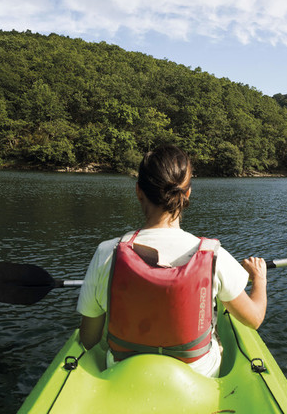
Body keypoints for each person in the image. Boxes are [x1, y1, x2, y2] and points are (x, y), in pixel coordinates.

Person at [76, 144, 268, 378]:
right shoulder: (213, 255)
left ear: (138, 191)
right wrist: (259, 278)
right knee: (216, 336)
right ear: (187, 193)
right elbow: (255, 319)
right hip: (197, 379)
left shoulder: (107, 252)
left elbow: (88, 339)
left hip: (123, 375)